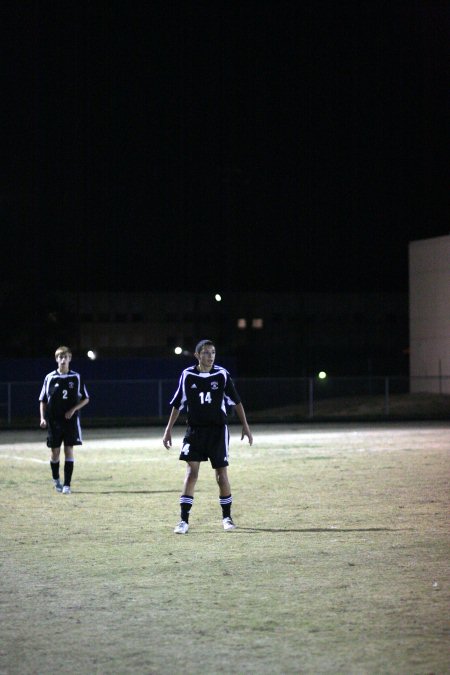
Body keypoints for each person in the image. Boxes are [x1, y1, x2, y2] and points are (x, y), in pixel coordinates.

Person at [163, 339, 253, 534]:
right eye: (205, 352)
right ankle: (183, 521)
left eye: (212, 352)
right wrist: (168, 429)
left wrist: (245, 426)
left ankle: (227, 518)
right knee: (191, 474)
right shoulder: (187, 375)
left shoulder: (221, 374)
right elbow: (177, 403)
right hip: (194, 431)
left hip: (218, 430)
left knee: (221, 475)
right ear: (197, 355)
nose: (210, 356)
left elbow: (236, 402)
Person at [39, 346, 90, 494]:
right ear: (56, 359)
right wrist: (43, 418)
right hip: (54, 421)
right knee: (55, 453)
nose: (63, 359)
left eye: (65, 357)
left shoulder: (76, 377)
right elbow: (43, 400)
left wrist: (73, 409)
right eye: (60, 357)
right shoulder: (49, 378)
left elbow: (86, 398)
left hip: (70, 421)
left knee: (69, 450)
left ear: (70, 359)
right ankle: (56, 480)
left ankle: (67, 485)